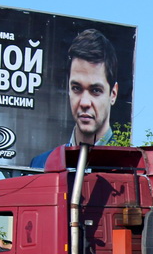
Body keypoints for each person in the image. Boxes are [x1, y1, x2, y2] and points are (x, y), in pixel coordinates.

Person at [30, 29, 119, 169]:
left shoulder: (128, 167)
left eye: (95, 91)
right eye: (77, 88)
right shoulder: (41, 164)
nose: (84, 103)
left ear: (113, 94)